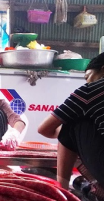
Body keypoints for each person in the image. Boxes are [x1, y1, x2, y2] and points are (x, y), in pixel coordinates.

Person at [38, 52, 104, 189]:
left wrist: (77, 143)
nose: (87, 82)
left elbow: (44, 129)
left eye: (88, 77)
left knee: (70, 120)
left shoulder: (89, 91)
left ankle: (62, 190)